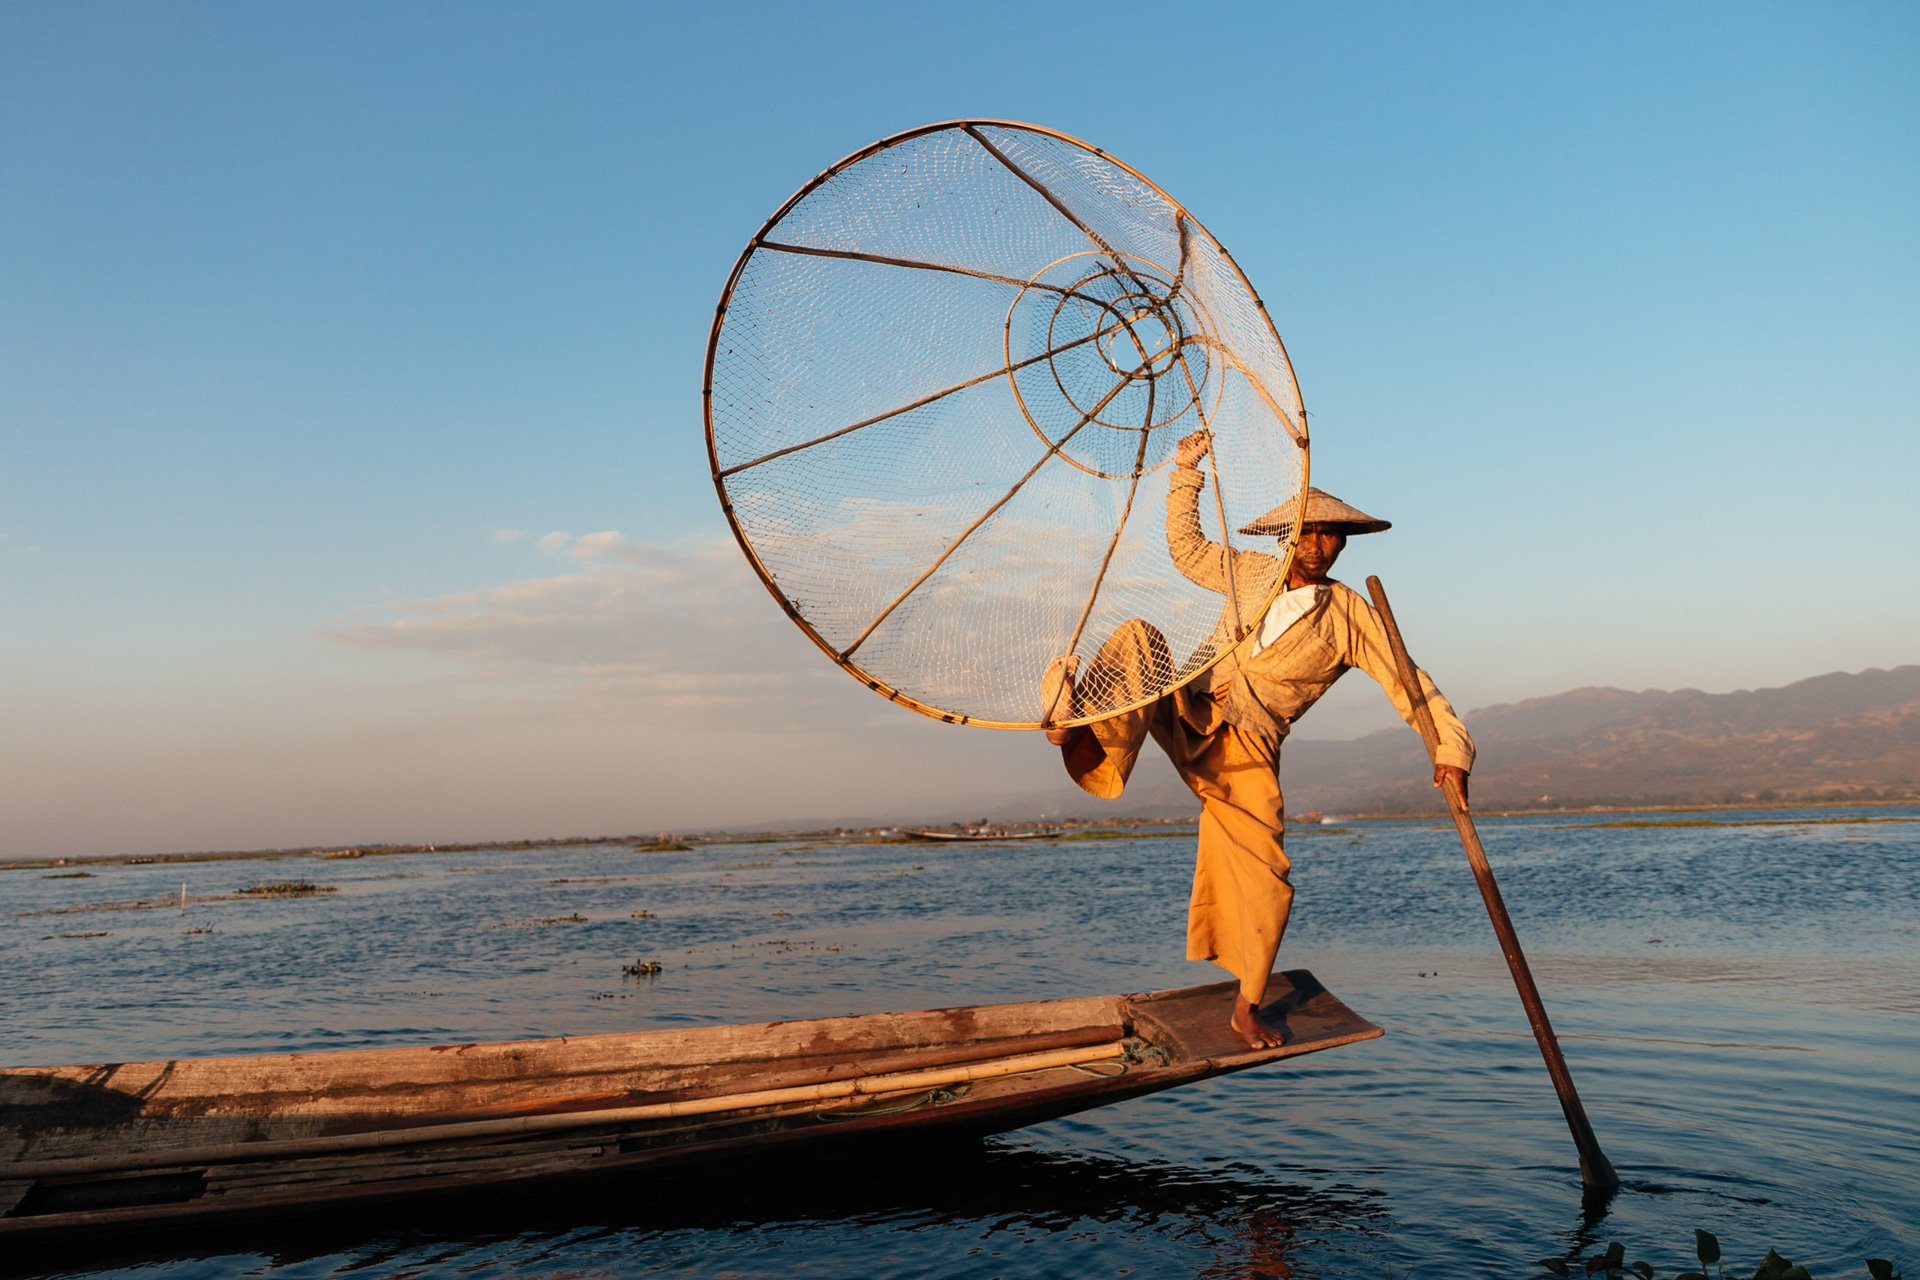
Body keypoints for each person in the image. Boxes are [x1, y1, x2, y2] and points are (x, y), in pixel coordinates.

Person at [1041, 429, 1474, 1048]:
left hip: (1245, 745)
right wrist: (1187, 469)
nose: (1319, 545)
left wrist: (1449, 751)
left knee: (1267, 868)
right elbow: (1187, 548)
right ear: (1286, 534)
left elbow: (1414, 686)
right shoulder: (1251, 572)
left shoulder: (1352, 616)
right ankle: (1074, 728)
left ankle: (1247, 1005)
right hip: (1187, 703)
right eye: (1308, 532)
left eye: (1331, 535)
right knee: (1137, 640)